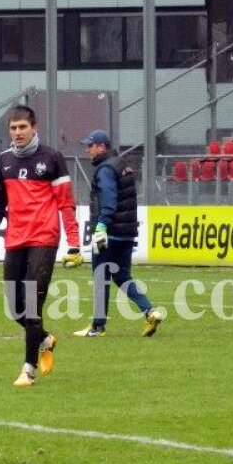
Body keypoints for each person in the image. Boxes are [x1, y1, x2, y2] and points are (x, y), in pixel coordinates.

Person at [0, 105, 84, 387]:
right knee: (15, 308)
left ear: (34, 128)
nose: (18, 133)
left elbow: (66, 204)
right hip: (15, 239)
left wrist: (74, 244)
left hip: (44, 239)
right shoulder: (4, 160)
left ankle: (28, 369)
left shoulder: (52, 158)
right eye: (13, 128)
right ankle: (45, 339)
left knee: (32, 305)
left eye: (23, 127)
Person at [73, 129, 165, 338]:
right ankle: (150, 312)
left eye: (91, 145)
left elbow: (109, 199)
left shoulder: (105, 169)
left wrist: (101, 227)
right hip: (127, 231)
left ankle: (97, 327)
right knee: (122, 275)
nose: (88, 149)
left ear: (102, 146)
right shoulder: (122, 165)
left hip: (110, 232)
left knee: (100, 277)